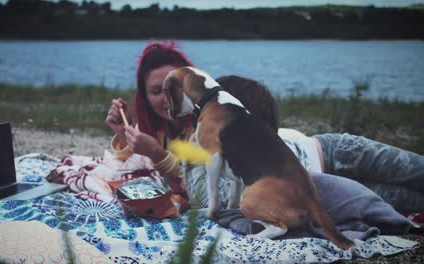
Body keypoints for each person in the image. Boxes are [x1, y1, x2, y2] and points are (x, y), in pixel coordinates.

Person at [216, 75, 424, 213]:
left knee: (416, 170)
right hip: (336, 193)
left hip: (335, 150)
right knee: (409, 200)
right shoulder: (214, 172)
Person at [105, 42, 195, 188]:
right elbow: (130, 165)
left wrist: (157, 154)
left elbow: (199, 184)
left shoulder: (205, 122)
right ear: (145, 98)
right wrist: (123, 132)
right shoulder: (151, 125)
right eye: (156, 91)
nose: (168, 99)